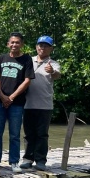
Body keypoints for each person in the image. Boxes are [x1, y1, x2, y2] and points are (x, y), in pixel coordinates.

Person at [0, 32, 35, 172]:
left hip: (17, 103)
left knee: (14, 134)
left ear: (22, 45)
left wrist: (11, 97)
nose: (14, 45)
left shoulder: (26, 59)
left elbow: (27, 81)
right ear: (8, 44)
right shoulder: (2, 58)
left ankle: (14, 162)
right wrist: (1, 95)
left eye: (17, 42)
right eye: (12, 42)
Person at [20, 36, 61, 171]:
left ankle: (40, 160)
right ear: (36, 47)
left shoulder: (53, 63)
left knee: (42, 134)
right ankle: (27, 158)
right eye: (40, 45)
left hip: (45, 105)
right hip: (27, 104)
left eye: (45, 46)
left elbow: (57, 75)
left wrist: (52, 71)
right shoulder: (28, 60)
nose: (42, 48)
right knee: (28, 134)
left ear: (51, 49)